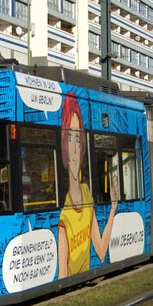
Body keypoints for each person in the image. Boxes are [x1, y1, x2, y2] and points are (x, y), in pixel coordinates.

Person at [57, 92, 118, 279]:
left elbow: (100, 251)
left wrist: (113, 208)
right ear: (64, 147)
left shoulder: (86, 193)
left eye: (77, 139)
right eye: (69, 138)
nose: (75, 149)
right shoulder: (64, 216)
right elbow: (63, 278)